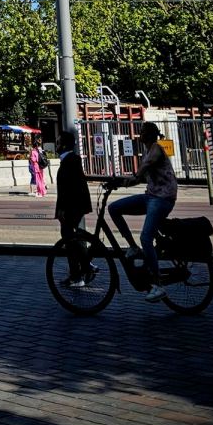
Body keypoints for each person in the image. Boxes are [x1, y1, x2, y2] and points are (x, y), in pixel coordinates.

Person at [108, 121, 178, 302]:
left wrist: (127, 180)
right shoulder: (147, 151)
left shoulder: (155, 149)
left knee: (146, 237)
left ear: (149, 135)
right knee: (114, 208)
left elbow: (141, 172)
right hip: (151, 196)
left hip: (162, 198)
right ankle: (132, 247)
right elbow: (140, 179)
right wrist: (119, 183)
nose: (140, 134)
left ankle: (158, 285)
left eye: (142, 132)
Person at [55, 130, 92, 287]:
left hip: (71, 207)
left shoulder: (69, 161)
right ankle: (84, 267)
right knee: (72, 237)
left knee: (70, 239)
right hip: (76, 206)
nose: (56, 145)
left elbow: (67, 189)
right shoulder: (71, 159)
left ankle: (78, 274)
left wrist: (62, 209)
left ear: (63, 144)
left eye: (58, 142)